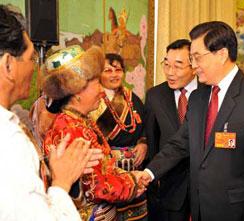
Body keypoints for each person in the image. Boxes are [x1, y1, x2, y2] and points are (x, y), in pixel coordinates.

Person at [139, 21, 244, 221]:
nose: (194, 65)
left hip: (236, 211)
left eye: (197, 57)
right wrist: (149, 172)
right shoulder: (199, 97)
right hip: (200, 209)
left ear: (222, 54)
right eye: (192, 58)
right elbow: (180, 144)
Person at [0, 5, 102, 220]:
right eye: (31, 59)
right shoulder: (8, 140)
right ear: (8, 65)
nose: (34, 70)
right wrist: (62, 182)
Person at [42, 46, 144, 221]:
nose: (102, 91)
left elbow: (104, 167)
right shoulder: (71, 130)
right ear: (78, 92)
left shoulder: (78, 121)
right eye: (97, 84)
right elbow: (96, 187)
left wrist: (127, 175)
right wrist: (133, 182)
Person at [89, 53, 148, 221]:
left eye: (118, 70)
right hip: (107, 168)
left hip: (133, 167)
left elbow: (146, 124)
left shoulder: (131, 97)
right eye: (108, 70)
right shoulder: (93, 99)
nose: (114, 75)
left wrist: (143, 143)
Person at [145, 39, 198, 221]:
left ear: (194, 66)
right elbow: (152, 140)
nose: (170, 72)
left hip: (204, 184)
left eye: (178, 66)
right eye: (166, 65)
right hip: (171, 184)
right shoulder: (155, 96)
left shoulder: (209, 94)